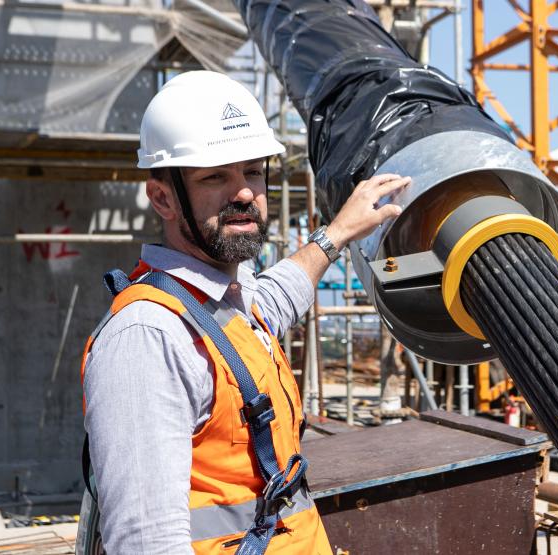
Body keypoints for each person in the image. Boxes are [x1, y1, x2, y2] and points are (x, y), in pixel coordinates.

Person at [78, 71, 408, 554]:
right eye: (215, 176)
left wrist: (335, 233)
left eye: (253, 171)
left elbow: (277, 296)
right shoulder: (148, 337)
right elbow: (146, 542)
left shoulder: (229, 305)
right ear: (163, 197)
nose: (245, 194)